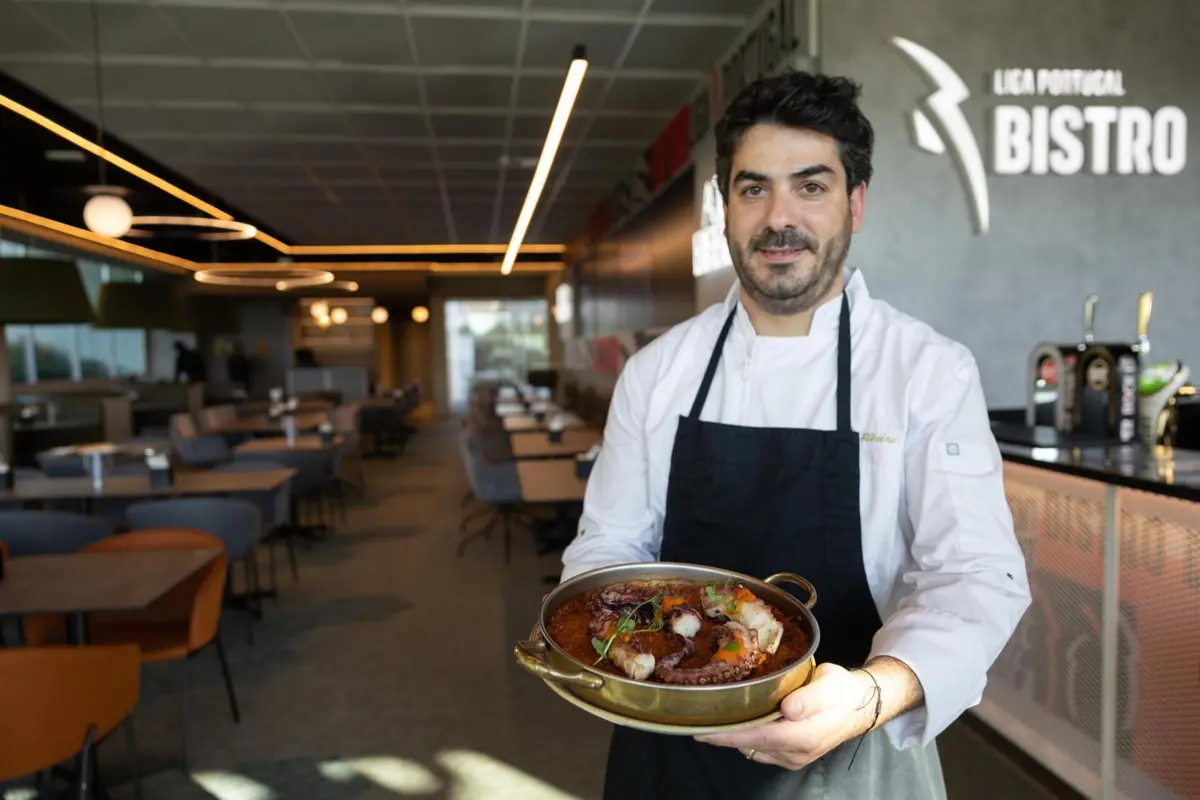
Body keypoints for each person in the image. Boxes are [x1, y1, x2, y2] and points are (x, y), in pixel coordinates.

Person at [560, 71, 1031, 799]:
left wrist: (875, 693)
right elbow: (608, 547)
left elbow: (975, 577)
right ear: (726, 208)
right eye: (754, 189)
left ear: (856, 202)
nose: (780, 218)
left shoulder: (928, 372)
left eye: (810, 186)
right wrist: (621, 646)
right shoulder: (658, 373)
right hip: (668, 746)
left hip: (855, 750)